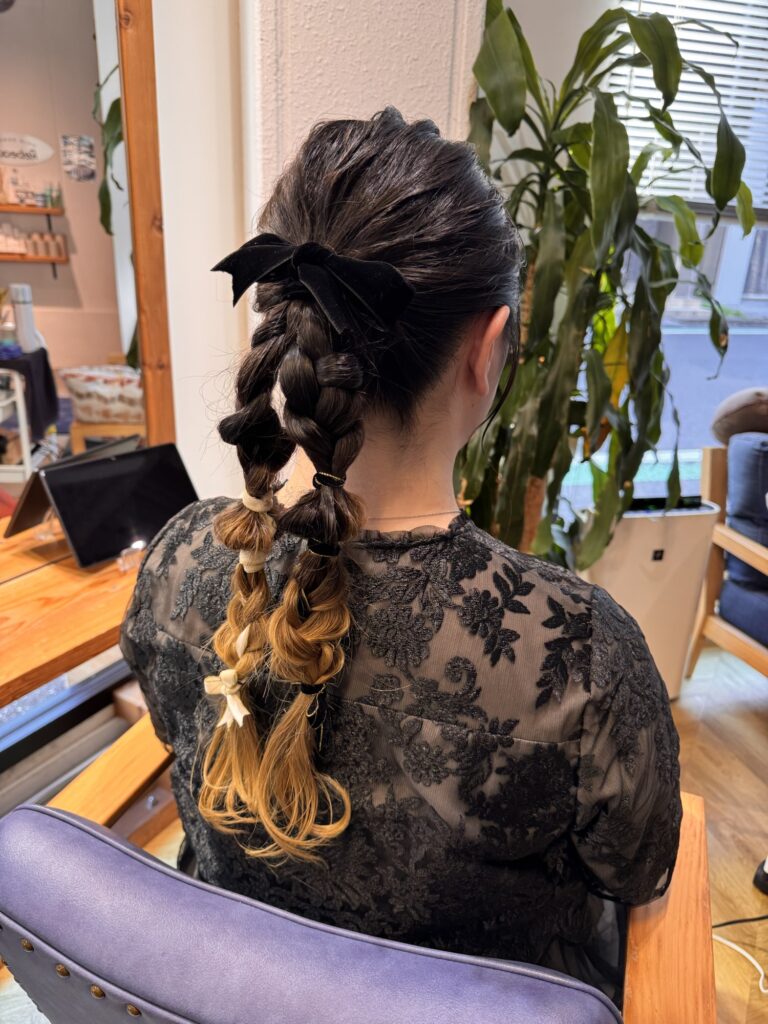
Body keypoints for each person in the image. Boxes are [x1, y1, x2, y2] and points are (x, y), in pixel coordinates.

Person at [120, 107, 681, 1006]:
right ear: (487, 350)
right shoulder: (579, 652)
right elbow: (639, 869)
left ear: (285, 329)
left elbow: (175, 734)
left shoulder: (182, 560)